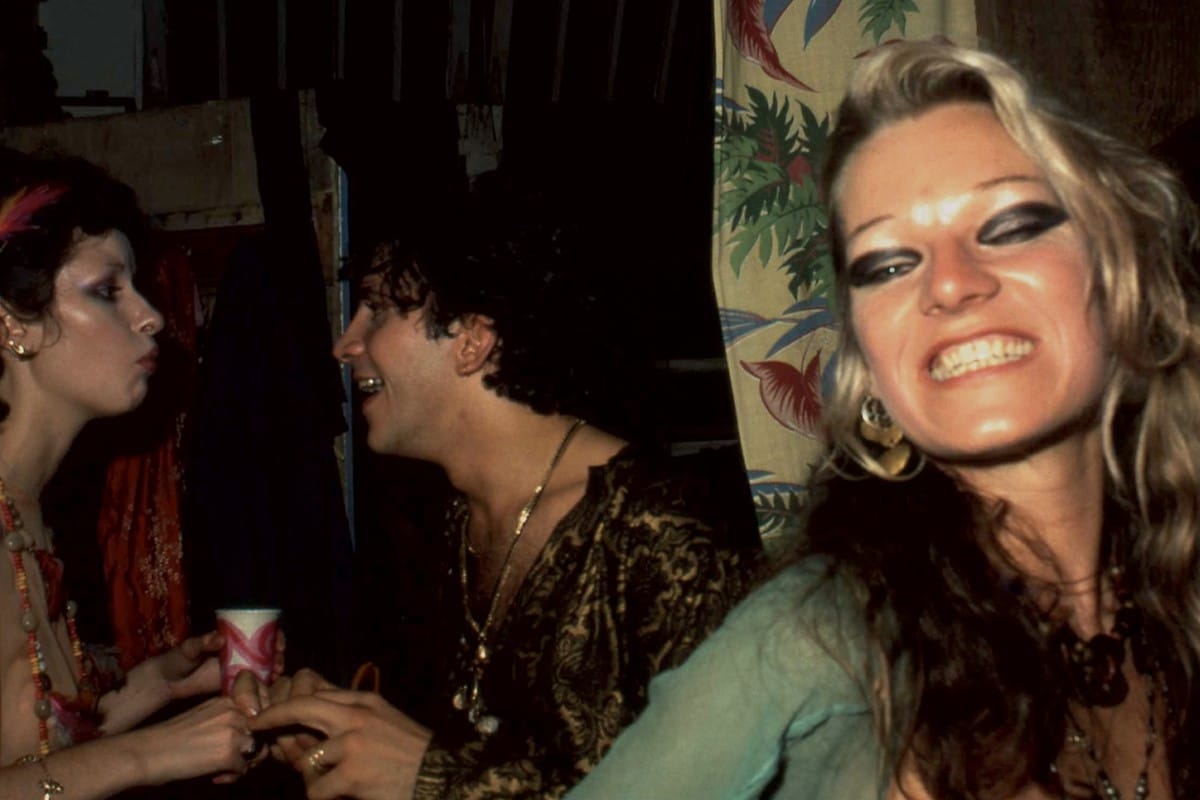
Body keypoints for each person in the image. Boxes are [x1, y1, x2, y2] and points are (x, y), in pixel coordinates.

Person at [563, 40, 1200, 800]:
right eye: (889, 265)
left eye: (1009, 225)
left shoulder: (1175, 597)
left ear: (1123, 275)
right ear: (869, 366)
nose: (950, 285)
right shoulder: (818, 635)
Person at [242, 183, 761, 799]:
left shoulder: (662, 533)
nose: (345, 345)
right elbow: (476, 743)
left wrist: (431, 775)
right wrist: (339, 724)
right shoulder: (453, 521)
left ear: (472, 340)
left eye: (376, 310)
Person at [0, 148, 264, 797]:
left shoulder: (26, 507)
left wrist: (158, 687)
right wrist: (150, 754)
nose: (151, 316)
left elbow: (31, 749)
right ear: (13, 323)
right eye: (107, 290)